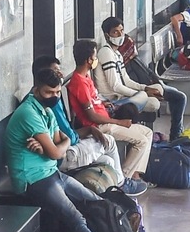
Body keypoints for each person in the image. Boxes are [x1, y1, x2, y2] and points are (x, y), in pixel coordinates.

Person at [6, 67, 157, 232]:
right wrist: (55, 148)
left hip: (50, 172)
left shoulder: (46, 111)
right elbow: (56, 152)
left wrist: (59, 144)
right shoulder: (28, 113)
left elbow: (60, 142)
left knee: (99, 201)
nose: (54, 96)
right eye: (49, 92)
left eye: (57, 92)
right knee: (75, 216)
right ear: (36, 89)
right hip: (32, 179)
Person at [28, 56, 138, 193]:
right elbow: (65, 141)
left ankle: (113, 194)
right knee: (109, 141)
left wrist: (88, 130)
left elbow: (64, 135)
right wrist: (76, 136)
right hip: (63, 157)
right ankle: (122, 184)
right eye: (55, 71)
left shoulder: (51, 99)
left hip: (66, 149)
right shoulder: (44, 104)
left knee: (108, 162)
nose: (60, 74)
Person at [67, 39, 155, 187]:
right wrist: (119, 122)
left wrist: (103, 104)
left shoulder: (86, 77)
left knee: (147, 133)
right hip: (100, 127)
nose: (96, 60)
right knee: (142, 141)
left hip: (106, 119)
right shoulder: (79, 82)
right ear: (89, 60)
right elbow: (91, 116)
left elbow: (92, 102)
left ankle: (135, 174)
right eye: (95, 57)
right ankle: (123, 179)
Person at [96, 18, 185, 140]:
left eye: (122, 30)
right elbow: (115, 86)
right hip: (114, 100)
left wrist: (145, 88)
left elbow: (126, 80)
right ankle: (158, 134)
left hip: (123, 96)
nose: (120, 35)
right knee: (153, 102)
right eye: (115, 32)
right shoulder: (106, 52)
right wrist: (141, 93)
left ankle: (175, 134)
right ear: (107, 35)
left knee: (157, 88)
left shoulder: (116, 54)